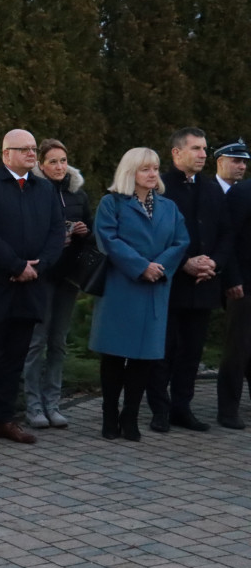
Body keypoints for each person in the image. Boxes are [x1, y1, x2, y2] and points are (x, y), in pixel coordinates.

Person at [0, 129, 63, 449]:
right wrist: (16, 265)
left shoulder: (44, 189)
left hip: (31, 288)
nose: (32, 154)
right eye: (24, 149)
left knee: (15, 358)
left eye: (34, 149)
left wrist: (38, 267)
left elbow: (55, 232)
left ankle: (5, 419)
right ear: (6, 154)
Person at [90, 148, 189, 441]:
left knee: (143, 358)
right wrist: (140, 266)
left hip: (154, 289)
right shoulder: (111, 203)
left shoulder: (169, 207)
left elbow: (181, 241)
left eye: (155, 168)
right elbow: (108, 239)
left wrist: (159, 267)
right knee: (114, 356)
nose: (152, 174)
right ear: (130, 171)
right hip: (120, 289)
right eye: (145, 168)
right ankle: (109, 415)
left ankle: (130, 415)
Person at [146, 127, 235, 433]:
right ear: (176, 152)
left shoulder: (211, 189)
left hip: (204, 284)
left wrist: (214, 263)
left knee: (192, 351)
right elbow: (152, 234)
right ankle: (159, 409)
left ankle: (182, 407)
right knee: (163, 349)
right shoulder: (160, 187)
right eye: (196, 148)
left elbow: (226, 232)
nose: (202, 154)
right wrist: (183, 263)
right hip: (170, 282)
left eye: (204, 149)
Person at [22, 139, 93, 429]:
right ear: (41, 164)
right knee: (36, 342)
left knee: (59, 343)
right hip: (41, 276)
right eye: (53, 161)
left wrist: (83, 231)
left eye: (63, 160)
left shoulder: (78, 193)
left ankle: (53, 404)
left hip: (69, 276)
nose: (60, 166)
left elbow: (92, 234)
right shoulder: (31, 191)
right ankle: (32, 405)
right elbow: (24, 231)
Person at [216, 138, 251, 429]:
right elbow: (229, 240)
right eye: (237, 160)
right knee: (237, 349)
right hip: (244, 285)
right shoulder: (242, 193)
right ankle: (228, 410)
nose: (242, 166)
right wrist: (233, 279)